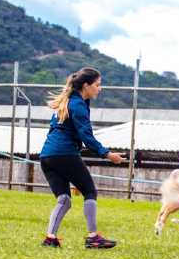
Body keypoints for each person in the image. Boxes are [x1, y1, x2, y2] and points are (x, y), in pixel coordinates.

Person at [39, 67, 124, 249]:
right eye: (97, 85)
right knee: (89, 192)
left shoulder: (69, 101)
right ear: (86, 85)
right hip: (64, 154)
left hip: (47, 156)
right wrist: (107, 154)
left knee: (64, 199)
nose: (100, 89)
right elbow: (86, 136)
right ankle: (93, 237)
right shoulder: (77, 105)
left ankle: (50, 238)